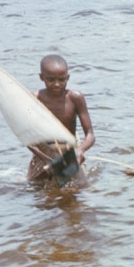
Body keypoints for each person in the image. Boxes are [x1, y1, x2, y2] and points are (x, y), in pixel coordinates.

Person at [28, 54, 95, 182]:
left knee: (80, 187)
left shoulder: (75, 98)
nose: (57, 84)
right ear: (41, 77)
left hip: (69, 149)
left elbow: (90, 134)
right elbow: (27, 137)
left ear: (68, 77)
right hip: (43, 151)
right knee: (35, 187)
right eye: (50, 80)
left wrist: (80, 151)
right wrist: (46, 159)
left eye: (62, 79)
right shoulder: (34, 99)